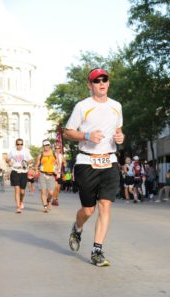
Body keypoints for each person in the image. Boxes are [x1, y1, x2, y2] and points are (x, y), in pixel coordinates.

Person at [64, 68, 124, 267]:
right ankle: (77, 227)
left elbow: (118, 129)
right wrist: (87, 136)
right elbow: (68, 132)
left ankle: (97, 250)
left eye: (104, 79)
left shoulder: (116, 106)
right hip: (86, 161)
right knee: (88, 210)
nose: (101, 83)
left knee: (105, 205)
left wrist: (120, 137)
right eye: (96, 80)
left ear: (108, 82)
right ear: (90, 85)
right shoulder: (82, 106)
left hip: (109, 161)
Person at [7, 138, 33, 213]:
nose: (19, 146)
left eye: (21, 144)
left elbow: (31, 159)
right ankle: (18, 207)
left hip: (24, 172)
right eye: (18, 144)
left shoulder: (26, 151)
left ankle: (21, 201)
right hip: (15, 171)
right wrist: (9, 162)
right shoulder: (12, 151)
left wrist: (26, 162)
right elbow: (7, 159)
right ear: (16, 144)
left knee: (22, 192)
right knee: (17, 189)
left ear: (22, 144)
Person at [35, 139, 58, 213]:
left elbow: (58, 163)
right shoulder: (40, 155)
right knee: (43, 192)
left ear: (50, 146)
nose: (46, 147)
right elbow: (36, 165)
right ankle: (45, 207)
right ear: (43, 146)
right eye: (45, 145)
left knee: (51, 193)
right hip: (42, 174)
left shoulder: (54, 154)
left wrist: (58, 170)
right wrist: (36, 170)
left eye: (47, 145)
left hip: (51, 175)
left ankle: (48, 200)